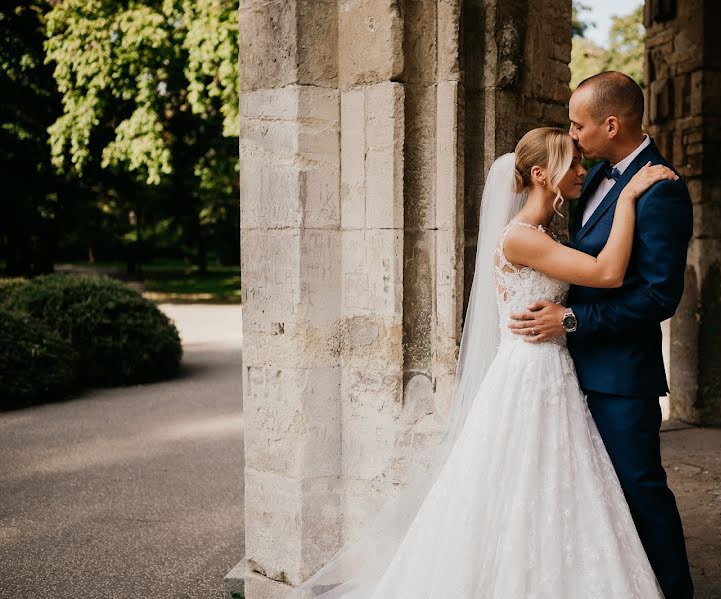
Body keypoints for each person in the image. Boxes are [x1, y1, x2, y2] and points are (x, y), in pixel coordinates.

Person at [288, 122, 678, 598]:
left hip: (552, 369)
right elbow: (608, 272)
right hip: (532, 373)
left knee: (555, 485)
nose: (582, 168)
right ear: (541, 173)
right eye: (572, 162)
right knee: (521, 482)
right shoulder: (521, 238)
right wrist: (630, 198)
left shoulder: (543, 230)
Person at [508, 71, 695, 599]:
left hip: (619, 374)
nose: (573, 136)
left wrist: (571, 321)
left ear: (610, 124)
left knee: (638, 488)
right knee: (582, 494)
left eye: (577, 125)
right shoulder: (591, 179)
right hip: (562, 370)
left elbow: (660, 296)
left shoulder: (662, 191)